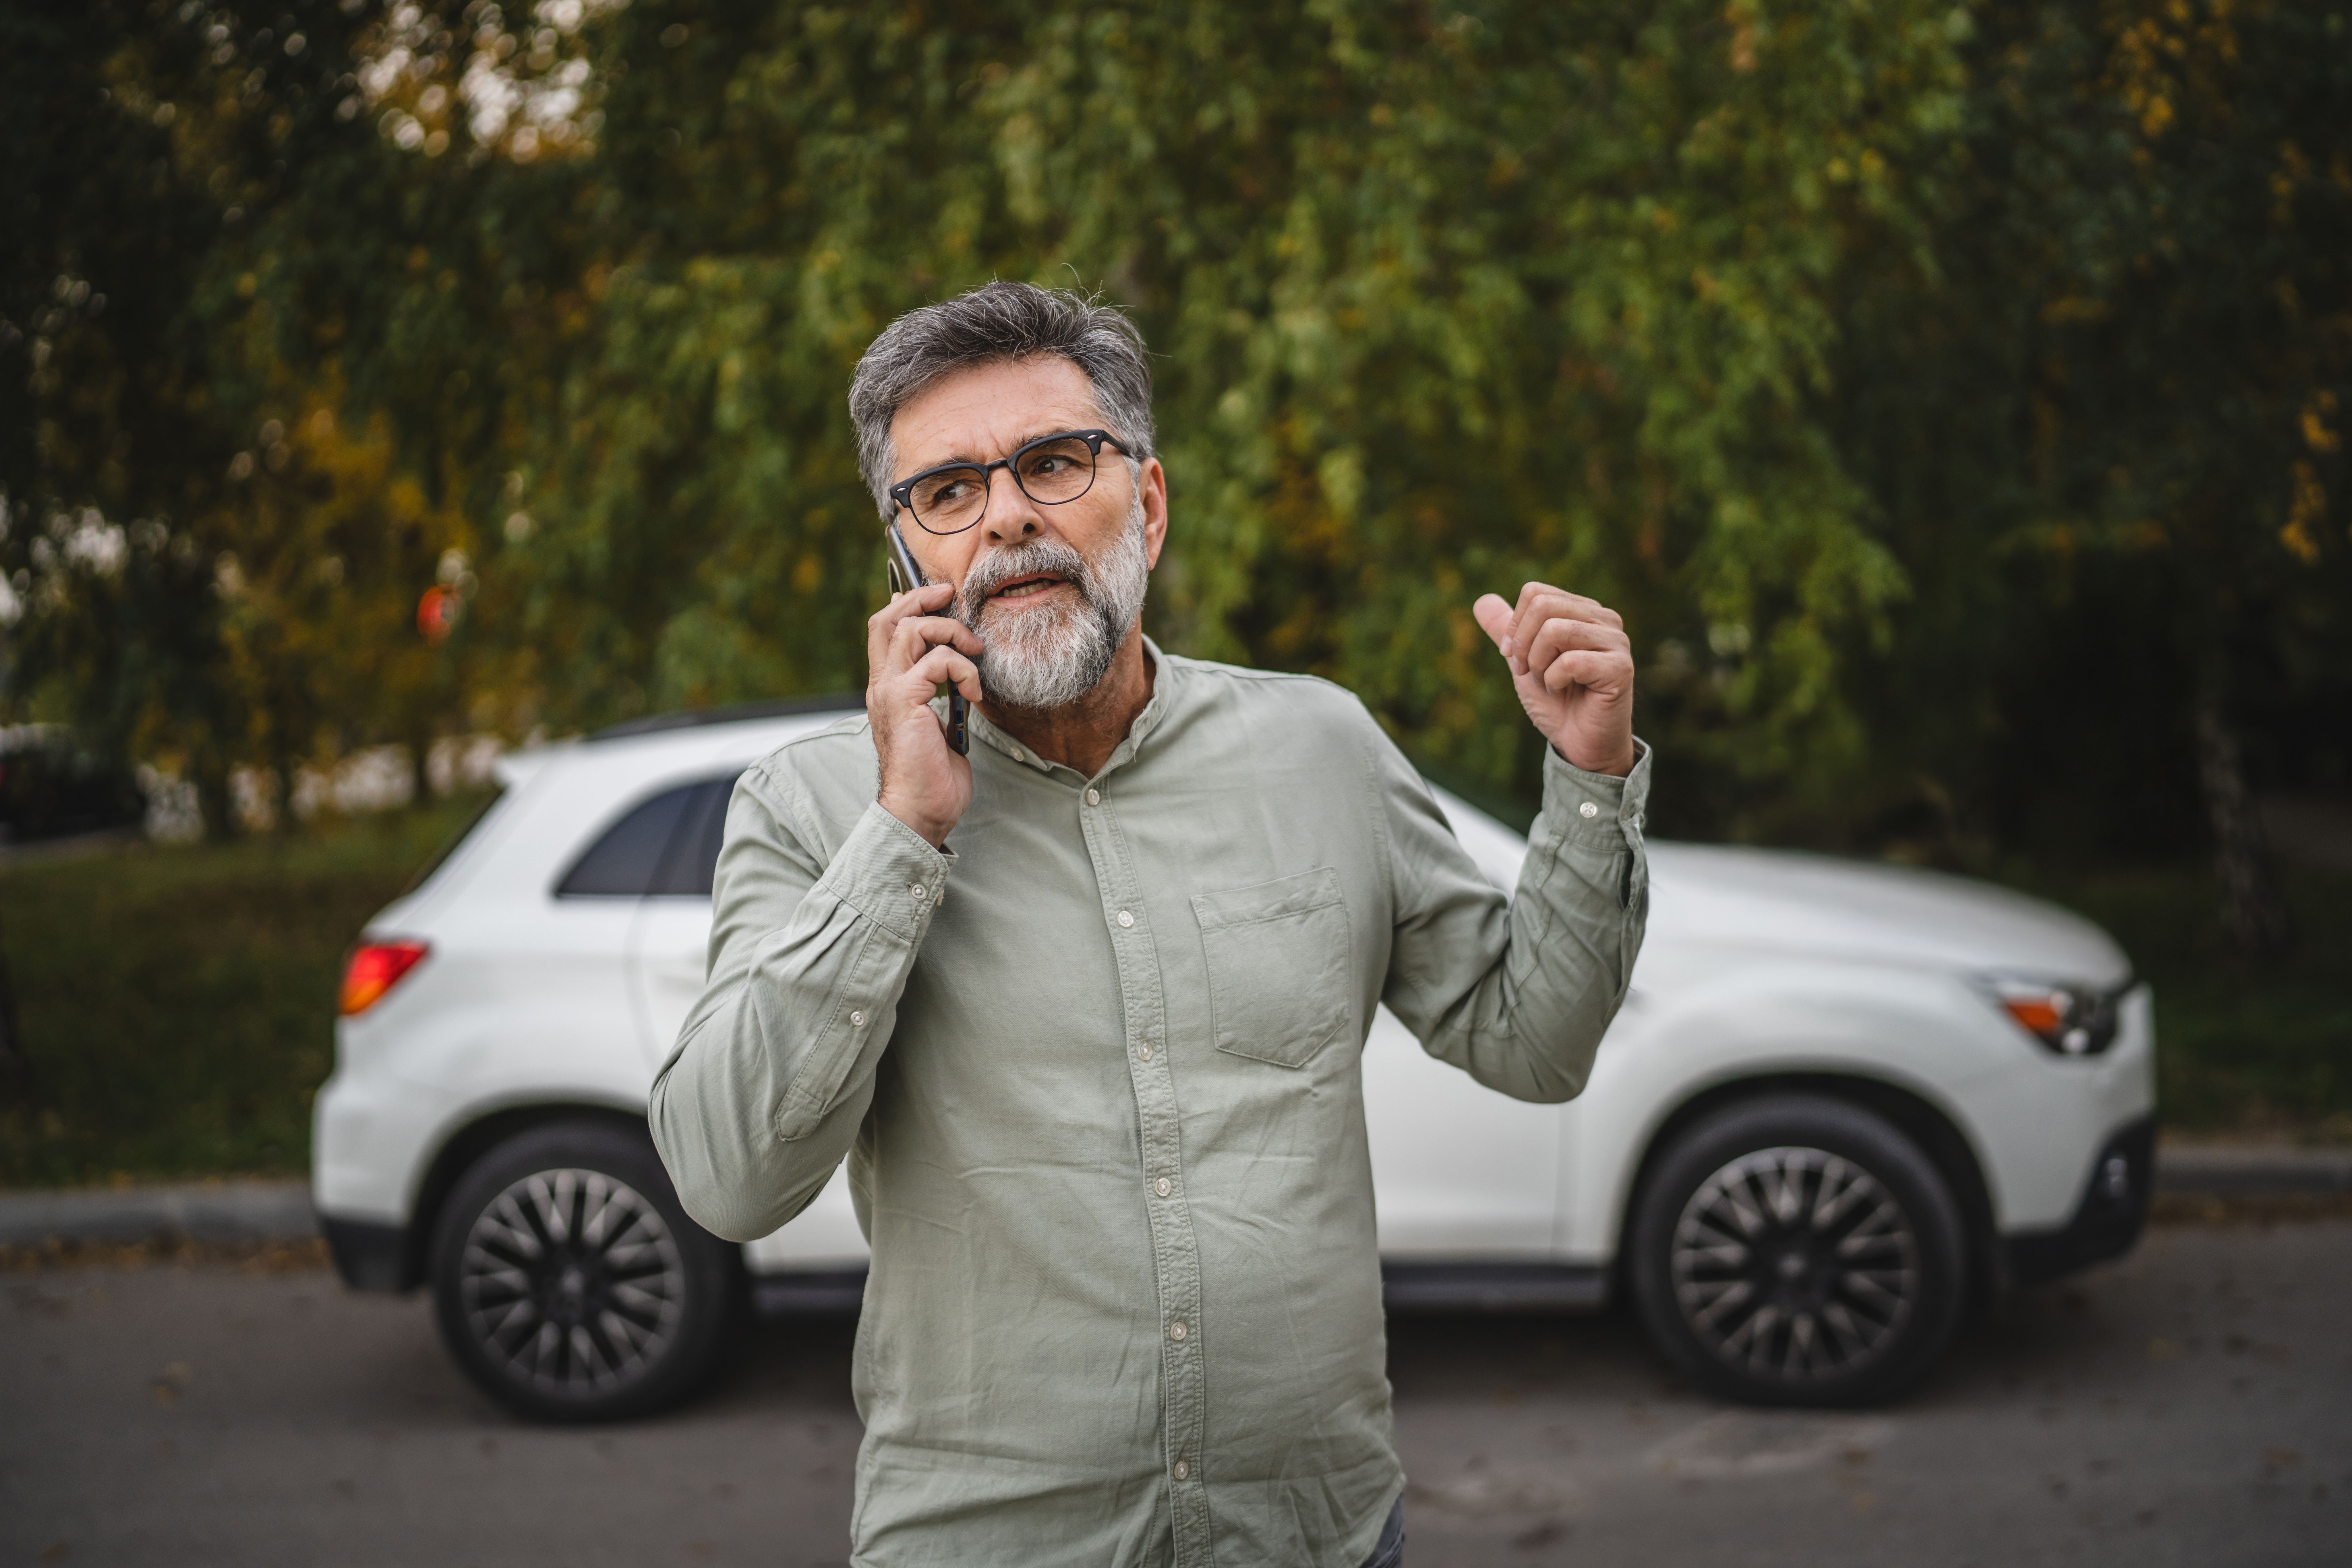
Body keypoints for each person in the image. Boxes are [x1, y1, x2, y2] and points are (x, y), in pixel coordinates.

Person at [649, 281, 1649, 1568]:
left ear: (1151, 503)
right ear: (908, 559)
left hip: (1318, 1539)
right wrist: (903, 831)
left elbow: (1534, 1041)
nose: (1005, 513)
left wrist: (1589, 773)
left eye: (1053, 463)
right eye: (946, 492)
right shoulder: (809, 807)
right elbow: (729, 1180)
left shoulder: (1322, 748)